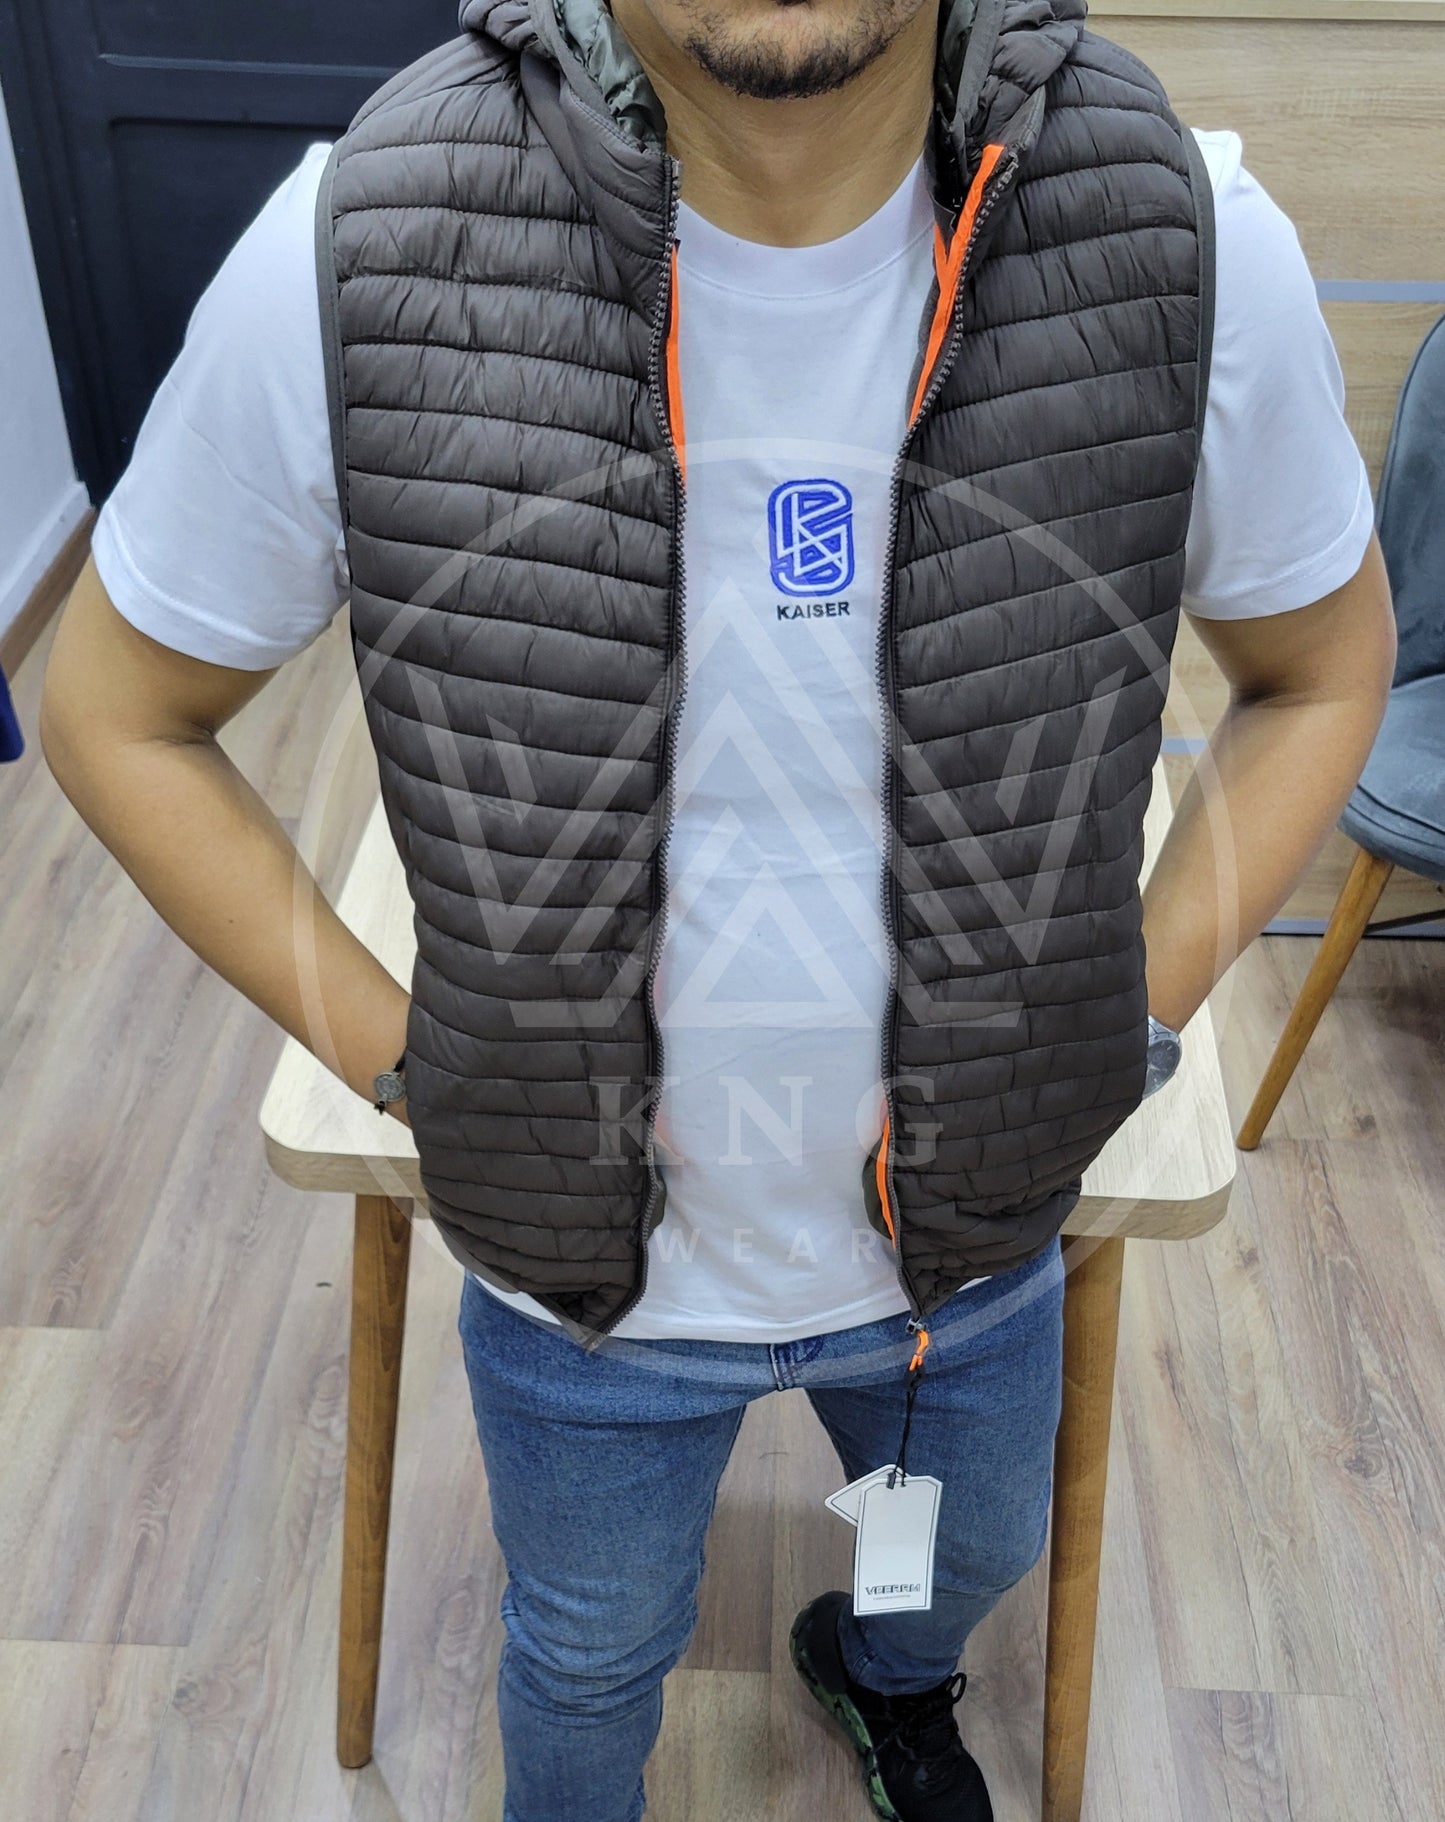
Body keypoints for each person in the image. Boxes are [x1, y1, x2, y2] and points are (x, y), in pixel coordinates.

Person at [41, 0, 1394, 1815]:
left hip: (973, 1254)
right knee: (587, 1652)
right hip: (585, 1292)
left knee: (964, 1564)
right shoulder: (346, 247)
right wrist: (407, 1064)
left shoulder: (1185, 232)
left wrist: (1128, 1003)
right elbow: (118, 710)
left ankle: (883, 1675)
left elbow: (1319, 668)